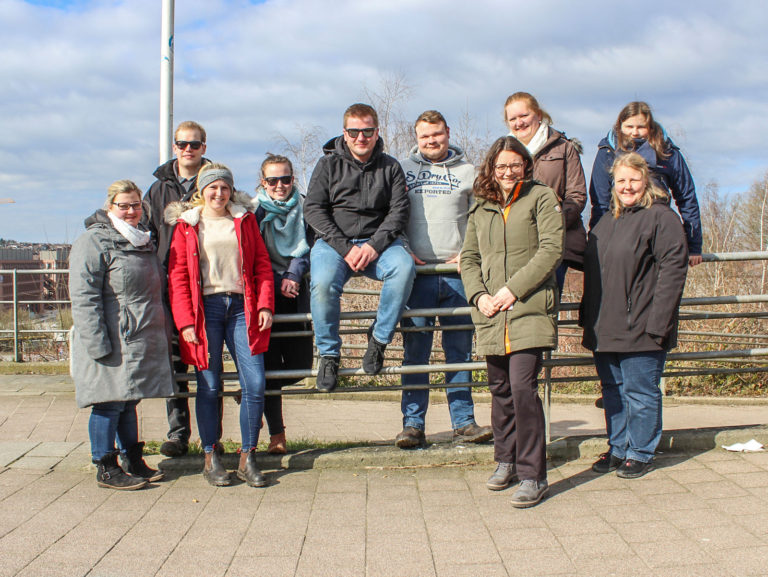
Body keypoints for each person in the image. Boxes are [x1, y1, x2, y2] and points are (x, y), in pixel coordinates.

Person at [461, 136, 563, 507]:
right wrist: (479, 296)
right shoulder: (481, 206)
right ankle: (505, 460)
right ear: (492, 168)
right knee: (500, 390)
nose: (508, 172)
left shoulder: (541, 197)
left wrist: (512, 290)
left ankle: (534, 475)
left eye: (515, 165)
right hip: (491, 313)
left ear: (526, 165)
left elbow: (551, 249)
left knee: (522, 388)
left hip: (529, 307)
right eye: (501, 166)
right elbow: (469, 258)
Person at [580, 153, 688, 479]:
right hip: (606, 325)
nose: (627, 187)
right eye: (621, 181)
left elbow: (672, 273)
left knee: (640, 393)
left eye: (633, 180)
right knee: (613, 392)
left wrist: (659, 324)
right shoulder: (606, 221)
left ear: (646, 181)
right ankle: (618, 447)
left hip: (642, 325)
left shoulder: (662, 218)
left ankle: (641, 451)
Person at [167, 163, 275, 487]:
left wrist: (266, 304)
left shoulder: (244, 220)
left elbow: (261, 265)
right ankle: (211, 455)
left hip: (243, 307)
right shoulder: (187, 226)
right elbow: (178, 278)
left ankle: (248, 456)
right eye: (212, 187)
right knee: (209, 386)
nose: (218, 193)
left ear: (231, 190)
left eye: (224, 187)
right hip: (206, 311)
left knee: (255, 384)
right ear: (202, 190)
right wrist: (185, 321)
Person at [395, 110, 492, 448]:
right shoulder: (402, 171)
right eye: (424, 136)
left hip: (457, 274)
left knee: (459, 351)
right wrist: (403, 249)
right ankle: (412, 425)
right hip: (417, 274)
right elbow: (393, 216)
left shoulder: (469, 173)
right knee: (415, 352)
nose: (431, 141)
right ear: (416, 137)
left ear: (447, 133)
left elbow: (482, 219)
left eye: (436, 134)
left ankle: (464, 422)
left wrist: (468, 252)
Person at [69, 180, 175, 490]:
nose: (130, 211)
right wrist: (96, 342)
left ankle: (132, 460)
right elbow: (84, 296)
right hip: (110, 337)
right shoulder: (93, 241)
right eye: (123, 205)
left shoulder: (142, 240)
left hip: (137, 337)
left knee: (128, 401)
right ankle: (105, 466)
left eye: (136, 205)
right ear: (109, 207)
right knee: (108, 402)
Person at [304, 103, 415, 392]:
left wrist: (374, 246)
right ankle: (329, 354)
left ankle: (378, 340)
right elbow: (313, 209)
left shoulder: (390, 167)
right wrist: (345, 248)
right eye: (354, 131)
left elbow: (399, 212)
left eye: (367, 131)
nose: (360, 137)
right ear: (345, 132)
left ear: (377, 132)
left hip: (380, 243)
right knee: (323, 282)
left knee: (403, 269)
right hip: (334, 243)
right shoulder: (327, 165)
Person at [143, 120, 215, 458]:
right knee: (175, 363)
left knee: (208, 361)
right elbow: (146, 235)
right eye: (183, 143)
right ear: (175, 147)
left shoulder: (214, 184)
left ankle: (211, 438)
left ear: (204, 147)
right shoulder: (157, 191)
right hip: (170, 285)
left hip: (209, 283)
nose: (189, 149)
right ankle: (178, 433)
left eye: (195, 144)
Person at [589, 101, 703, 267]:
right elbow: (600, 201)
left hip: (657, 228)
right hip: (620, 229)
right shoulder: (607, 152)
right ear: (620, 126)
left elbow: (687, 197)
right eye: (629, 127)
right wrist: (596, 244)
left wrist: (694, 246)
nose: (635, 132)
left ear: (650, 126)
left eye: (641, 127)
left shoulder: (667, 151)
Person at [252, 154, 314, 455]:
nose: (280, 185)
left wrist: (293, 272)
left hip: (296, 291)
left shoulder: (306, 207)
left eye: (286, 179)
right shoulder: (253, 213)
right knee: (270, 367)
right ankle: (277, 436)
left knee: (302, 365)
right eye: (273, 180)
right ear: (262, 182)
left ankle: (253, 392)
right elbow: (251, 254)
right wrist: (277, 281)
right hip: (264, 296)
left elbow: (312, 246)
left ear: (293, 179)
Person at [504, 92, 587, 291]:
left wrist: (552, 224)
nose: (519, 123)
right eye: (513, 119)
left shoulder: (564, 148)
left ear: (538, 115)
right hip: (515, 243)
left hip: (554, 243)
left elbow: (577, 196)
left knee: (547, 302)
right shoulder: (503, 154)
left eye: (524, 116)